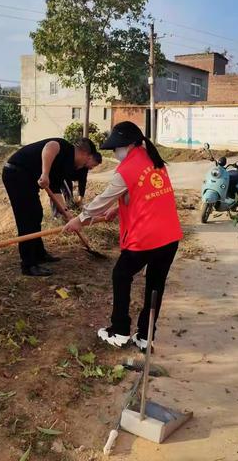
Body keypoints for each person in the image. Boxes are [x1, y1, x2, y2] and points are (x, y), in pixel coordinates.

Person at [63, 121, 183, 351]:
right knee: (155, 285)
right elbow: (146, 194)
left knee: (121, 275)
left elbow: (104, 198)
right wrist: (118, 209)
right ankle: (146, 336)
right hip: (169, 237)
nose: (115, 152)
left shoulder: (127, 168)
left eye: (117, 148)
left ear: (128, 145)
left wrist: (80, 219)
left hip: (147, 237)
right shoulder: (153, 160)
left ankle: (119, 331)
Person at [2, 137, 101, 277]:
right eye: (86, 162)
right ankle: (28, 265)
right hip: (16, 173)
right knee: (27, 218)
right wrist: (45, 173)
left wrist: (66, 212)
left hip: (26, 179)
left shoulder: (65, 165)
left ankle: (39, 254)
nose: (84, 167)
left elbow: (55, 189)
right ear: (85, 153)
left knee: (36, 214)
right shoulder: (65, 147)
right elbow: (50, 146)